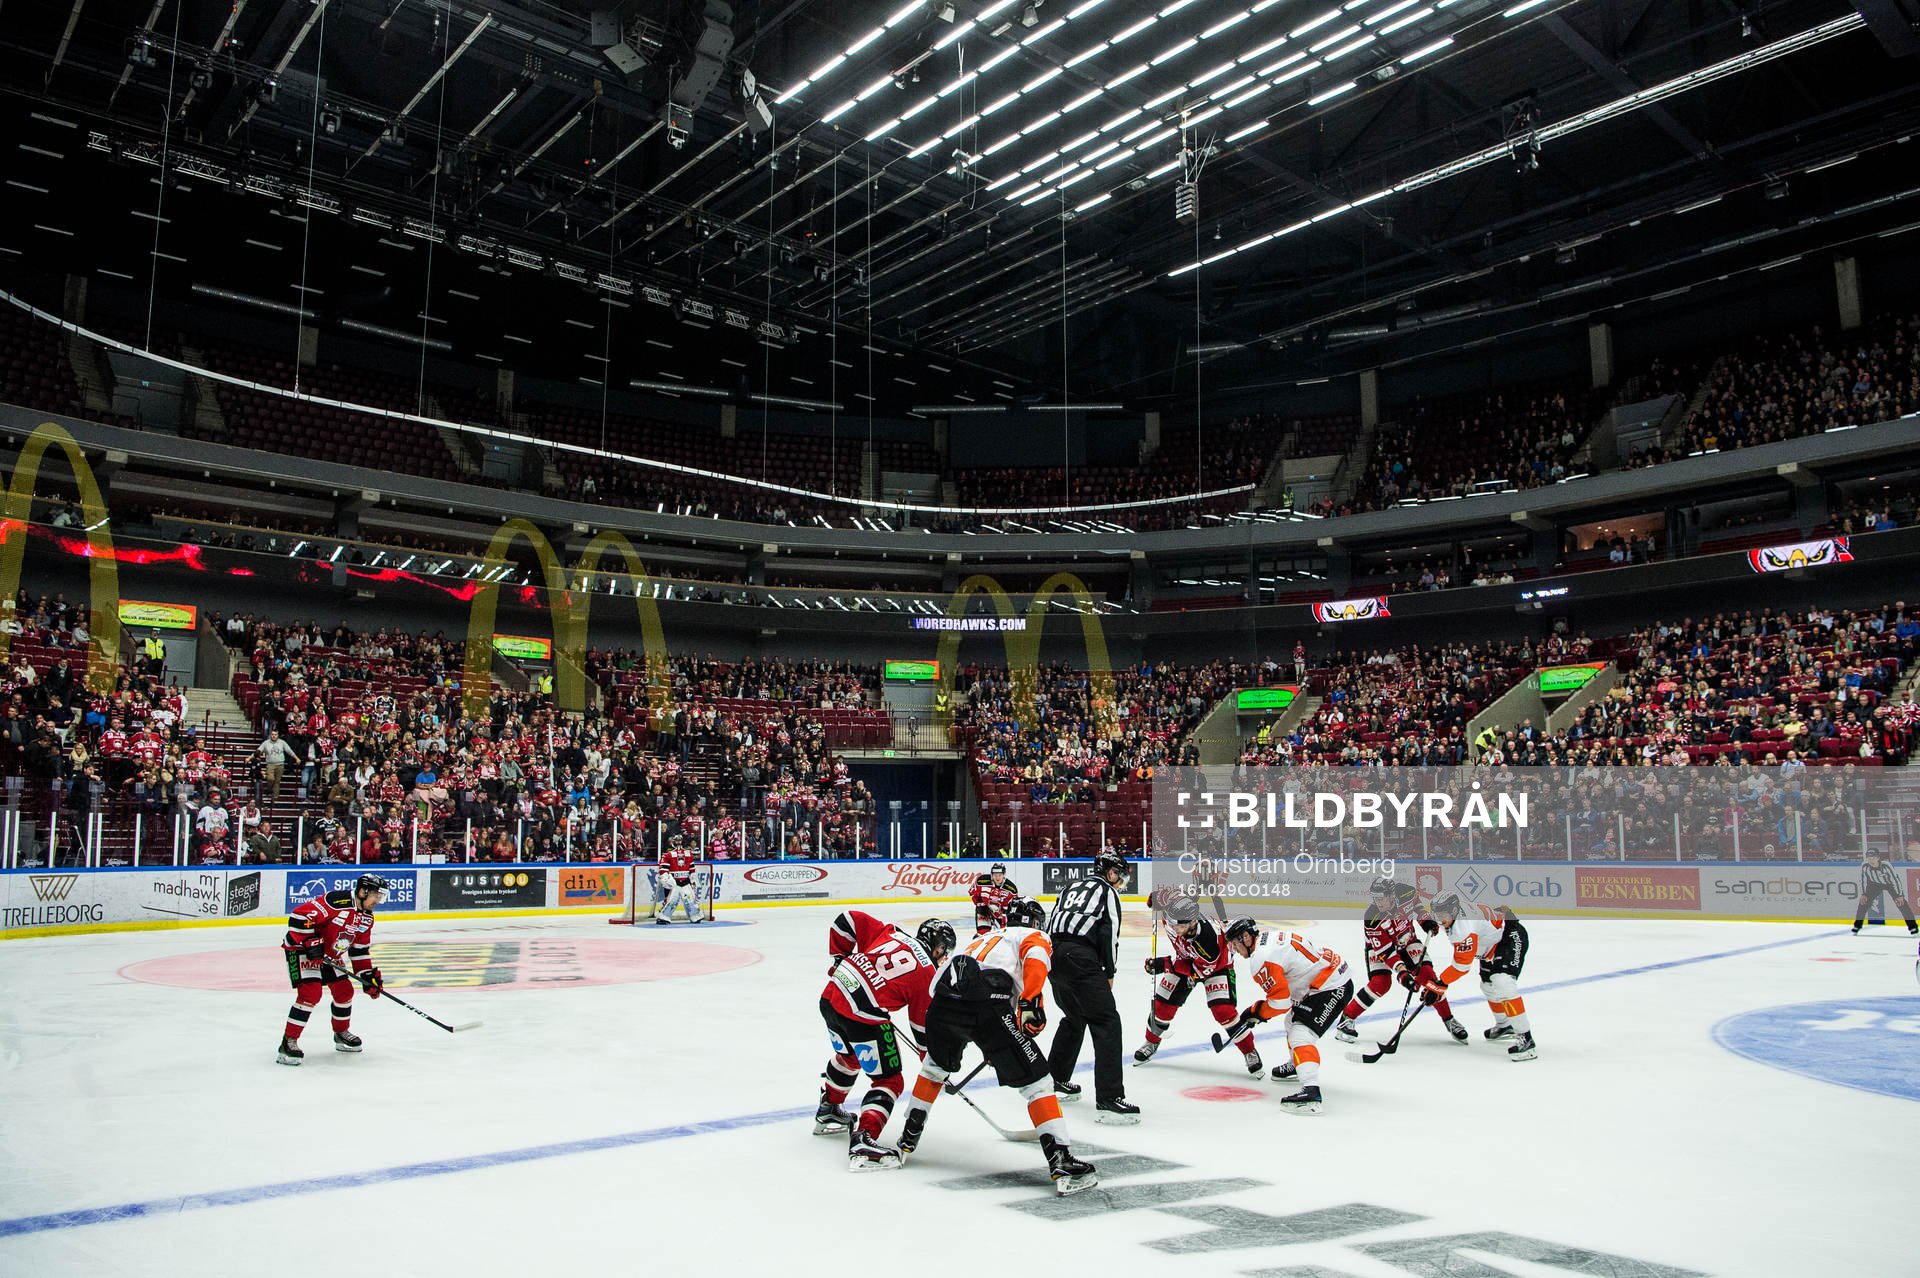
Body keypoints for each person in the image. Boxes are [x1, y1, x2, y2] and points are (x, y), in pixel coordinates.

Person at [899, 900, 1097, 1195]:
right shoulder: (1032, 935)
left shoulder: (981, 939)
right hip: (990, 1000)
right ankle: (1060, 1160)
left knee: (933, 1069)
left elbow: (945, 989)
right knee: (1039, 1083)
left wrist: (986, 1039)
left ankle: (907, 1139)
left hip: (941, 1003)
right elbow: (1036, 955)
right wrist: (1031, 999)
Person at [815, 910, 953, 1170]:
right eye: (945, 952)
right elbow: (921, 1026)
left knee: (851, 1056)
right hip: (861, 1013)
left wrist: (840, 957)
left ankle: (829, 1108)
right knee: (890, 1080)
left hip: (831, 997)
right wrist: (931, 1056)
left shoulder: (891, 933)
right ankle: (863, 1140)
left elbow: (848, 919)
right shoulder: (927, 973)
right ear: (939, 949)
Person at [1222, 919, 1354, 1113]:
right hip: (1328, 977)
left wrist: (1256, 1012)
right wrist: (1257, 1013)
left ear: (1247, 937)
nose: (1234, 949)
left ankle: (1311, 1092)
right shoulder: (1269, 938)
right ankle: (1297, 1064)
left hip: (1332, 985)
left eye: (1235, 943)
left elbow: (1280, 1003)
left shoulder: (1261, 957)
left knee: (1300, 1033)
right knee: (1292, 1020)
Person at [1046, 850, 1138, 1123]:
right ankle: (1109, 1097)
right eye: (1119, 876)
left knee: (1074, 1018)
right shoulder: (1108, 892)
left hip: (1053, 956)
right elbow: (1109, 933)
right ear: (1110, 873)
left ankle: (1056, 1079)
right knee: (1106, 1021)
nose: (1120, 882)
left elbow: (1052, 923)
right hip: (1080, 958)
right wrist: (1109, 972)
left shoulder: (1069, 887)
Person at [1133, 894, 1263, 1076]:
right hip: (1185, 959)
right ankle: (1151, 1042)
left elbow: (1196, 970)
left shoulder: (1209, 942)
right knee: (1162, 1005)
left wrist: (1163, 964)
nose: (1174, 928)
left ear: (1193, 923)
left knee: (1223, 1012)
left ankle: (1250, 1051)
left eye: (1180, 926)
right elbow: (1166, 895)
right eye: (1172, 923)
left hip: (1217, 967)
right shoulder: (1174, 916)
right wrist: (1156, 899)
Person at [1334, 878, 1468, 1045]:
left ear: (1392, 895)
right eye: (1375, 898)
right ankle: (1347, 1018)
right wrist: (1403, 974)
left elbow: (1418, 907)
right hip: (1381, 948)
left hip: (1407, 940)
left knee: (1428, 978)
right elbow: (1387, 952)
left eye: (1381, 898)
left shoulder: (1407, 892)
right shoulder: (1372, 918)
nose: (1378, 902)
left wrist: (1425, 921)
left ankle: (1450, 1020)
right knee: (1380, 983)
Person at [277, 874, 386, 1065]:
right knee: (310, 994)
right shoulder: (338, 901)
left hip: (329, 956)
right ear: (363, 892)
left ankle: (341, 1033)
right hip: (302, 950)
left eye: (380, 897)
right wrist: (311, 941)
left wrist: (367, 976)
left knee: (345, 991)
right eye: (376, 896)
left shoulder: (367, 918)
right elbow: (297, 917)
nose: (378, 901)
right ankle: (288, 1042)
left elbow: (359, 950)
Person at [1428, 892, 1536, 1061]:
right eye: (1437, 915)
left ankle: (1526, 1039)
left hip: (1508, 937)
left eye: (1442, 915)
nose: (1440, 920)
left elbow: (1461, 966)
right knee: (1487, 985)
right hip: (1489, 945)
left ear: (1454, 910)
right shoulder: (1452, 912)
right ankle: (1504, 1025)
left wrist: (1439, 984)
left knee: (1502, 982)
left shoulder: (1463, 928)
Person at [1852, 849, 1918, 935]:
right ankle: (1857, 926)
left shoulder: (1886, 865)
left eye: (1873, 857)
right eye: (1869, 858)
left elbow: (1895, 880)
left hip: (1889, 884)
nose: (1871, 860)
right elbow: (1863, 880)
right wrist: (1864, 894)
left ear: (1878, 858)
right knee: (1863, 903)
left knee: (1902, 904)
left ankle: (1913, 927)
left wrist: (1900, 895)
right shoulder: (1864, 866)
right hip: (1874, 884)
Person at [656, 834, 704, 924]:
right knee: (672, 901)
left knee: (690, 900)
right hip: (675, 882)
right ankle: (663, 917)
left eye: (680, 840)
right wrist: (665, 877)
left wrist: (693, 878)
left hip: (685, 881)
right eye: (676, 840)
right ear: (673, 841)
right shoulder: (668, 854)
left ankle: (695, 916)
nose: (678, 842)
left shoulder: (688, 853)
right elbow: (663, 868)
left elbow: (691, 867)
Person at [968, 863, 1021, 934]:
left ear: (1004, 875)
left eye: (1000, 875)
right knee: (983, 933)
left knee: (1003, 934)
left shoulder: (1011, 889)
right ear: (992, 875)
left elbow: (1013, 907)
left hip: (1001, 912)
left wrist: (1003, 914)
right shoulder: (981, 881)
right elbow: (973, 894)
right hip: (984, 909)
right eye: (995, 875)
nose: (997, 878)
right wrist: (980, 903)